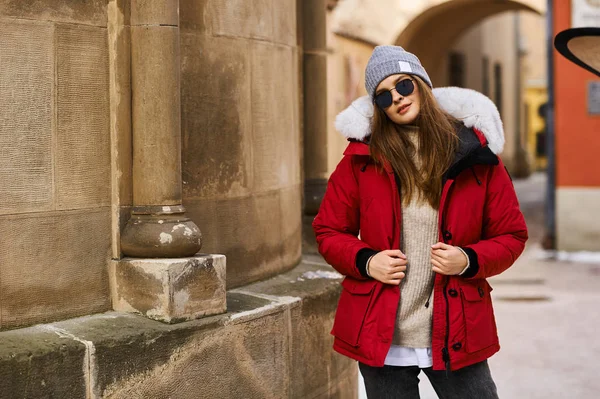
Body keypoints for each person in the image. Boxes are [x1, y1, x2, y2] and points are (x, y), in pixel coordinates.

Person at [312, 45, 528, 398]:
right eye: (383, 96)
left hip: (455, 329)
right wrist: (367, 260)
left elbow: (512, 234)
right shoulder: (360, 161)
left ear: (422, 84)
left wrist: (469, 259)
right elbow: (328, 230)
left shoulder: (477, 155)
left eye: (404, 85)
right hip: (381, 332)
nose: (397, 98)